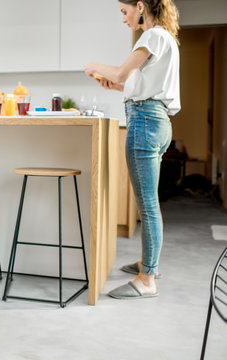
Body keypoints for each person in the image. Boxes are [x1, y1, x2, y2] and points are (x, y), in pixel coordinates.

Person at [84, 0, 180, 299]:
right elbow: (134, 82)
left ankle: (147, 278)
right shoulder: (165, 38)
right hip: (156, 121)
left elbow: (122, 73)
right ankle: (146, 263)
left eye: (125, 12)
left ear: (140, 6)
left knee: (148, 205)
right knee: (149, 203)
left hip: (145, 121)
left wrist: (94, 66)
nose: (124, 19)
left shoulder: (152, 35)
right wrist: (113, 85)